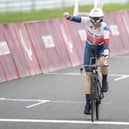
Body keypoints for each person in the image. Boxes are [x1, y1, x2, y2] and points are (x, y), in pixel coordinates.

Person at [64, 8, 110, 114]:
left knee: (103, 62)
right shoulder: (87, 21)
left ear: (101, 20)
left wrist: (106, 52)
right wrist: (69, 17)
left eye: (97, 20)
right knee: (88, 76)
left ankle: (104, 80)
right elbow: (77, 19)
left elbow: (107, 43)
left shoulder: (105, 28)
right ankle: (88, 103)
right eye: (93, 20)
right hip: (89, 48)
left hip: (101, 48)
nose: (95, 23)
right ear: (90, 19)